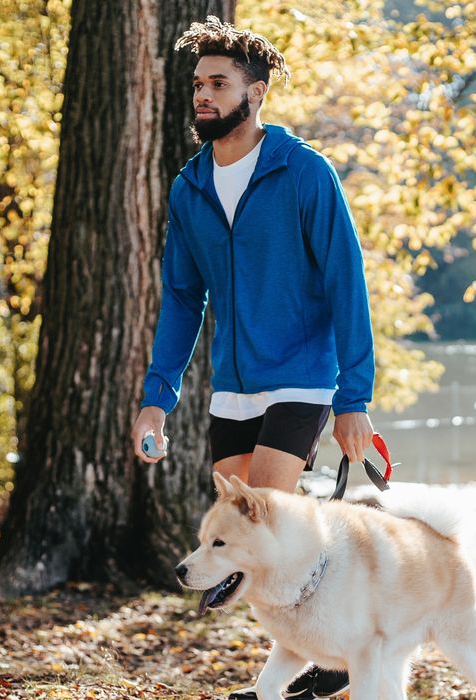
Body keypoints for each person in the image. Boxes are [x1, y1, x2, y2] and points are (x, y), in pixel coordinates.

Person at [129, 16, 372, 700]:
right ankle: (330, 658)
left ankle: (311, 671)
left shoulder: (303, 173)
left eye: (218, 83)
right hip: (231, 386)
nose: (202, 96)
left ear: (255, 92)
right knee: (255, 538)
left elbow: (344, 283)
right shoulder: (189, 187)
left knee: (261, 522)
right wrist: (157, 396)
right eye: (198, 84)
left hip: (301, 374)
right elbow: (181, 299)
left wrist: (353, 397)